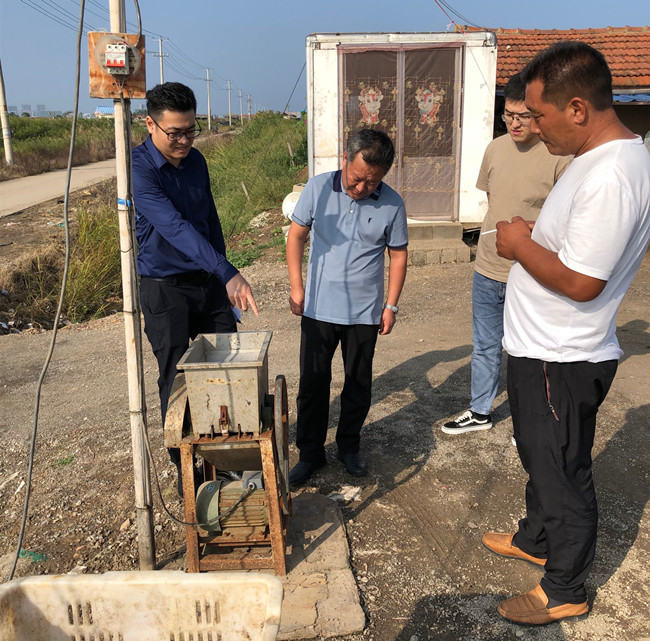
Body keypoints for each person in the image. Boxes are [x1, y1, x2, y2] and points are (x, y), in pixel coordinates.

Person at [483, 41, 650, 625]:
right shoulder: (597, 159)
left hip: (562, 355)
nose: (532, 127)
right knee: (542, 455)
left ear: (577, 109)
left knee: (561, 473)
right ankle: (535, 538)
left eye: (539, 115)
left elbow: (582, 282)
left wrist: (518, 243)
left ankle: (564, 589)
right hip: (543, 346)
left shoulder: (612, 176)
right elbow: (580, 248)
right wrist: (539, 234)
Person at [132, 82, 258, 495]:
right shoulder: (139, 169)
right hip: (164, 287)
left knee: (226, 365)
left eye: (191, 131)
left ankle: (228, 457)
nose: (185, 141)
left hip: (207, 282)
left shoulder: (196, 160)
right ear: (150, 124)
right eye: (175, 133)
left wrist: (222, 274)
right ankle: (186, 466)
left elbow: (208, 219)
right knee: (175, 377)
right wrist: (226, 270)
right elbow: (174, 227)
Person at [442, 73, 571, 436]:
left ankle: (530, 425)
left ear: (539, 113)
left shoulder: (559, 156)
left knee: (530, 351)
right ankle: (480, 411)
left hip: (531, 271)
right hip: (487, 267)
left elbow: (564, 218)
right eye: (509, 115)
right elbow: (493, 200)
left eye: (523, 116)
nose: (515, 123)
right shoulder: (495, 148)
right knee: (485, 345)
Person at [286, 129, 408, 486]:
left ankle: (349, 447)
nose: (362, 188)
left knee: (357, 383)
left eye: (372, 182)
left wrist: (391, 305)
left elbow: (398, 255)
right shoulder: (318, 188)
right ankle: (310, 453)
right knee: (313, 384)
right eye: (356, 178)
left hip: (364, 313)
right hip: (318, 308)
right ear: (345, 159)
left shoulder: (393, 204)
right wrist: (297, 287)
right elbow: (296, 235)